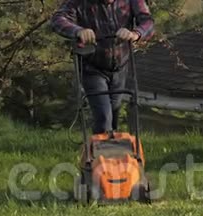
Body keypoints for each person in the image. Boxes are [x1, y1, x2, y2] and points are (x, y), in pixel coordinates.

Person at [51, 0, 155, 134]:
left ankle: (111, 150)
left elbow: (148, 22)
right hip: (92, 67)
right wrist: (78, 31)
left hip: (120, 67)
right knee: (104, 118)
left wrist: (135, 34)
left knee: (113, 113)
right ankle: (101, 152)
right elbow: (57, 19)